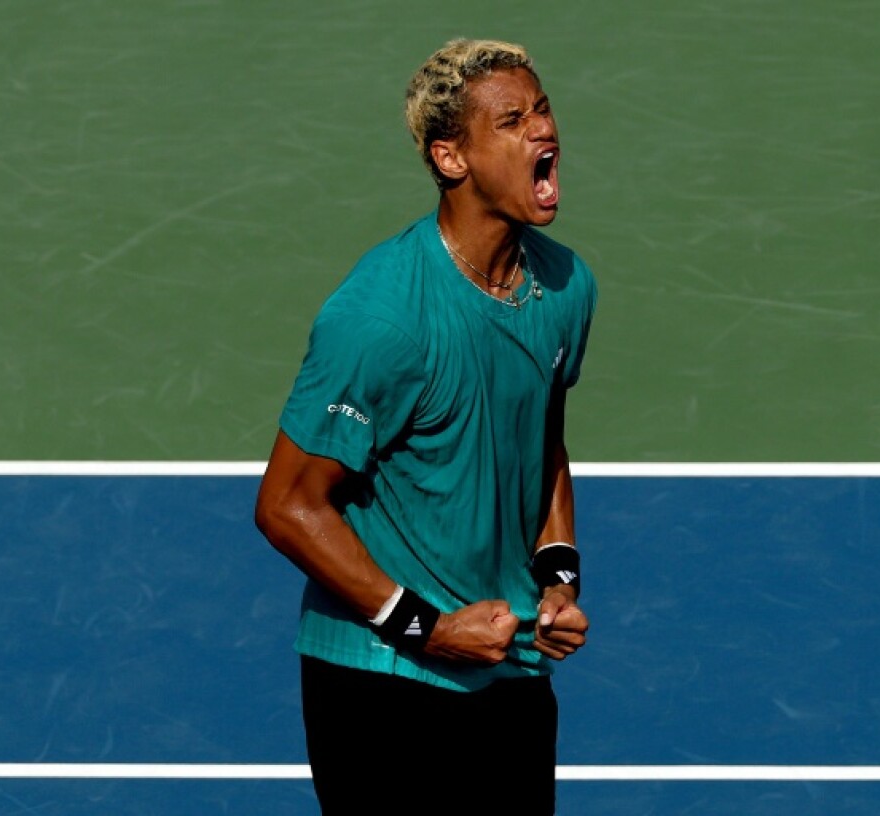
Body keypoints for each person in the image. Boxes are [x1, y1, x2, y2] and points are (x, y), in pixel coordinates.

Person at [253, 38, 598, 815]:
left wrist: (559, 581)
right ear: (452, 158)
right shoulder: (381, 320)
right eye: (511, 120)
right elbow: (288, 505)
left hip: (509, 668)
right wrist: (427, 627)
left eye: (541, 108)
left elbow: (541, 441)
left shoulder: (565, 287)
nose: (543, 130)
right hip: (383, 684)